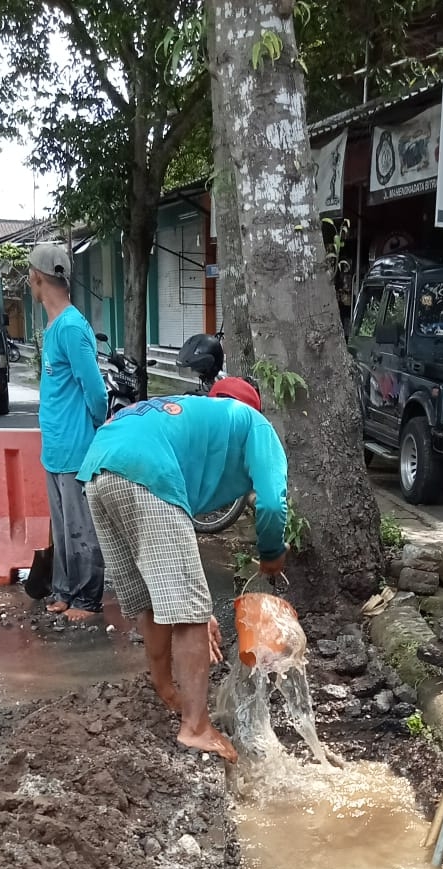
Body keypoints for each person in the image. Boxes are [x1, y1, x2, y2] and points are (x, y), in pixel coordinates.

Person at [77, 377, 288, 762]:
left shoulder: (190, 416)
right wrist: (272, 553)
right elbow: (272, 503)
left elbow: (170, 558)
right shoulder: (255, 424)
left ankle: (165, 689)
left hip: (98, 467)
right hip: (145, 469)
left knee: (152, 599)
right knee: (190, 614)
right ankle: (195, 727)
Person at [29, 241, 108, 621]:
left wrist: (93, 430)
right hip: (56, 448)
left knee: (81, 529)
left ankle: (88, 599)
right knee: (62, 529)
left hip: (76, 447)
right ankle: (63, 590)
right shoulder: (55, 326)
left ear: (36, 279)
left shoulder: (72, 328)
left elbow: (96, 392)